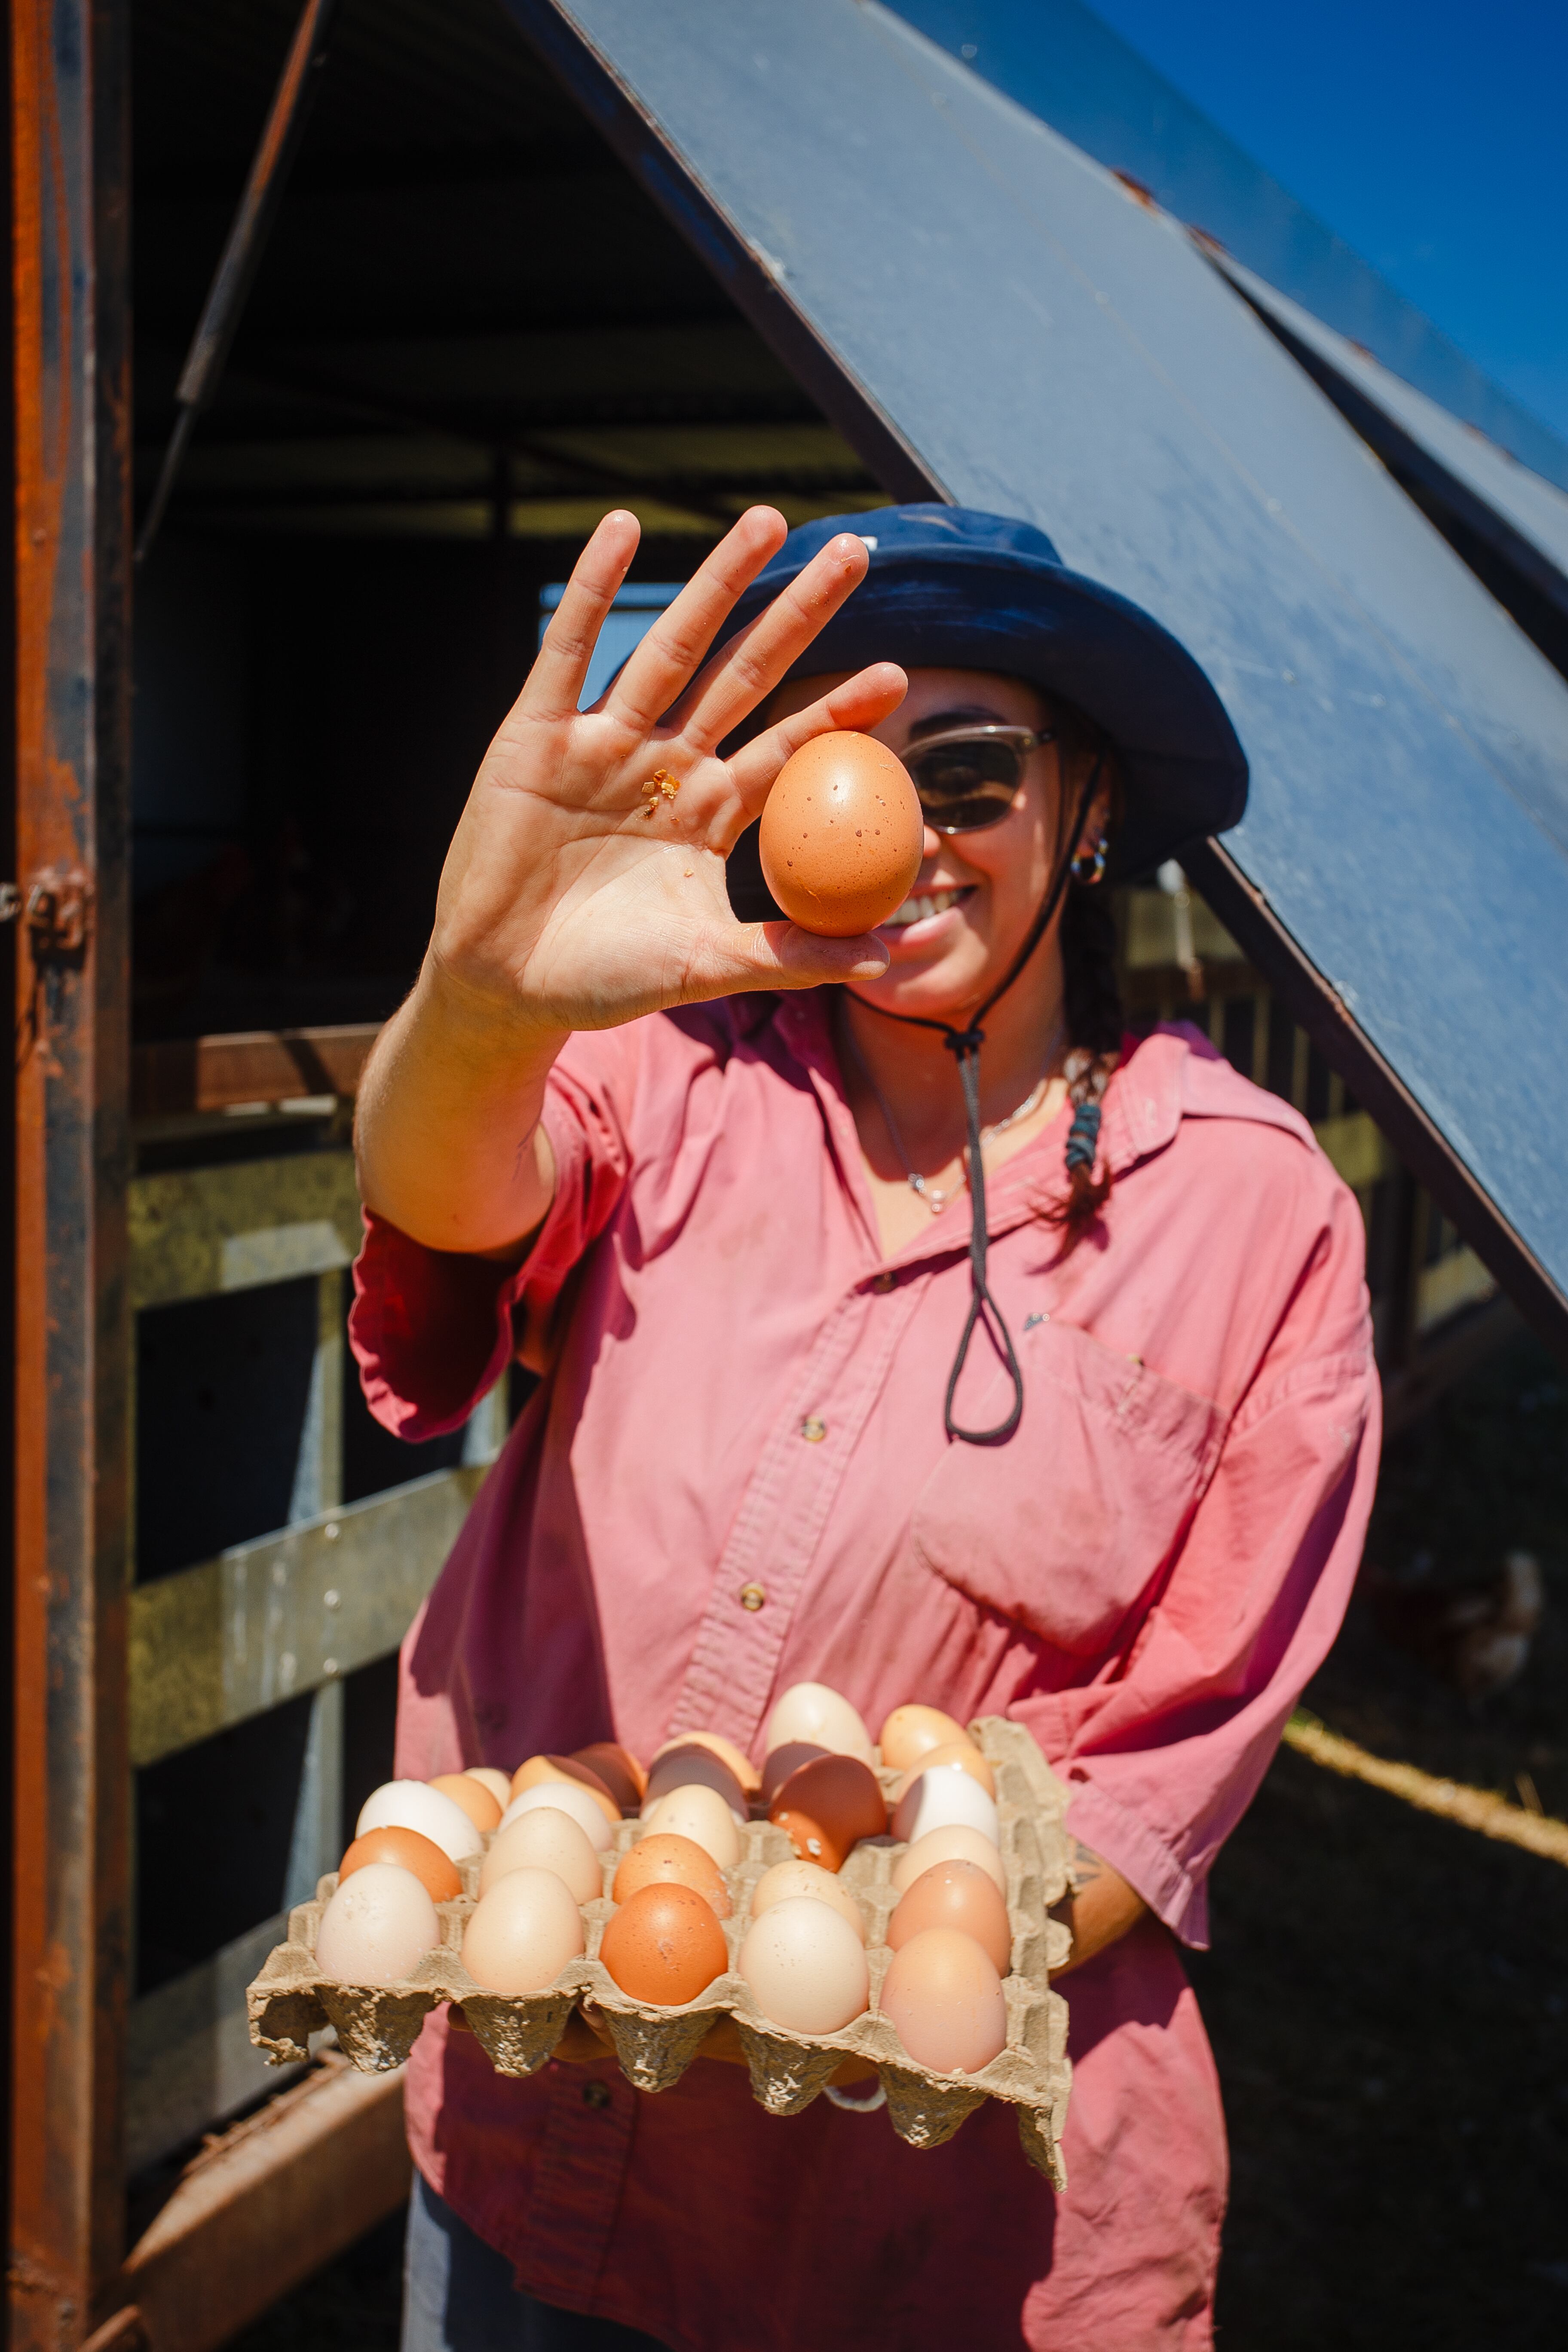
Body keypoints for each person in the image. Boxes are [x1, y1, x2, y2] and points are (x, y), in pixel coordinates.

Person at [353, 503, 1378, 2351]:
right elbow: (450, 1200)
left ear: (1087, 814)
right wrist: (483, 1008)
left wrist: (835, 1962)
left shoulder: (1251, 1214)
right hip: (530, 2164)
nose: (893, 828)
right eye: (835, 770)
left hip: (928, 2244)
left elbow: (1170, 1768)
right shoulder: (671, 1081)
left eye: (966, 769)